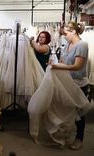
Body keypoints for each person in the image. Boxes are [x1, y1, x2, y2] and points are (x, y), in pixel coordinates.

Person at [51, 21, 89, 150]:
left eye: (66, 33)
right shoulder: (67, 44)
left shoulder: (82, 45)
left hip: (79, 84)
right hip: (67, 82)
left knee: (79, 113)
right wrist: (56, 64)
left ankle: (79, 138)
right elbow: (63, 60)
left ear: (73, 32)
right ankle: (66, 133)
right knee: (67, 109)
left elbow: (77, 66)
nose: (64, 36)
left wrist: (60, 67)